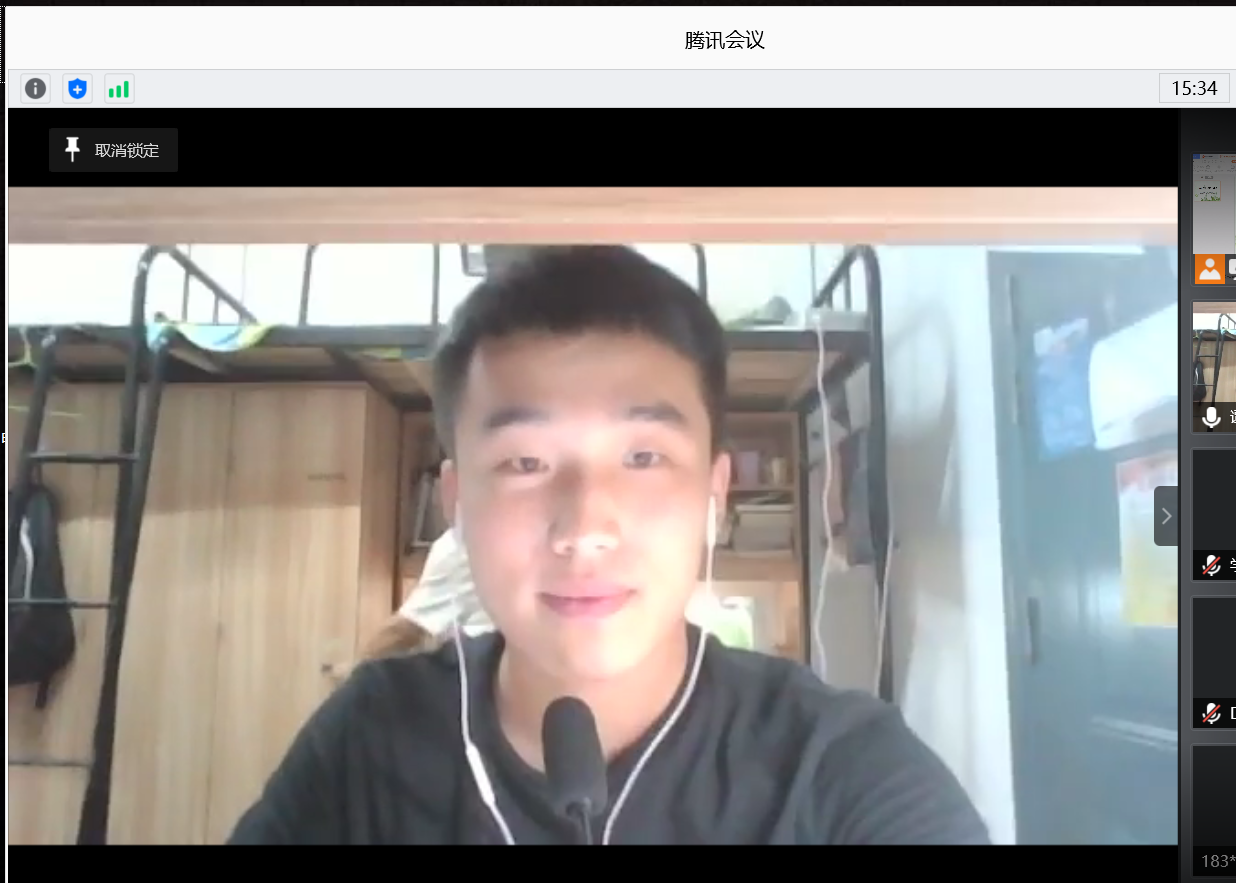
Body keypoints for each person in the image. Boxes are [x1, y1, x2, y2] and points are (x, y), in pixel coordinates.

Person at [228, 246, 989, 845]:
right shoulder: (369, 740)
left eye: (644, 457)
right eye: (525, 463)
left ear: (714, 493)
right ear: (456, 502)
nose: (584, 527)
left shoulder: (842, 767)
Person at [338, 524, 495, 675]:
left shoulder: (462, 546)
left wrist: (355, 674)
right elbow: (409, 628)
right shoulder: (462, 546)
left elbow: (409, 628)